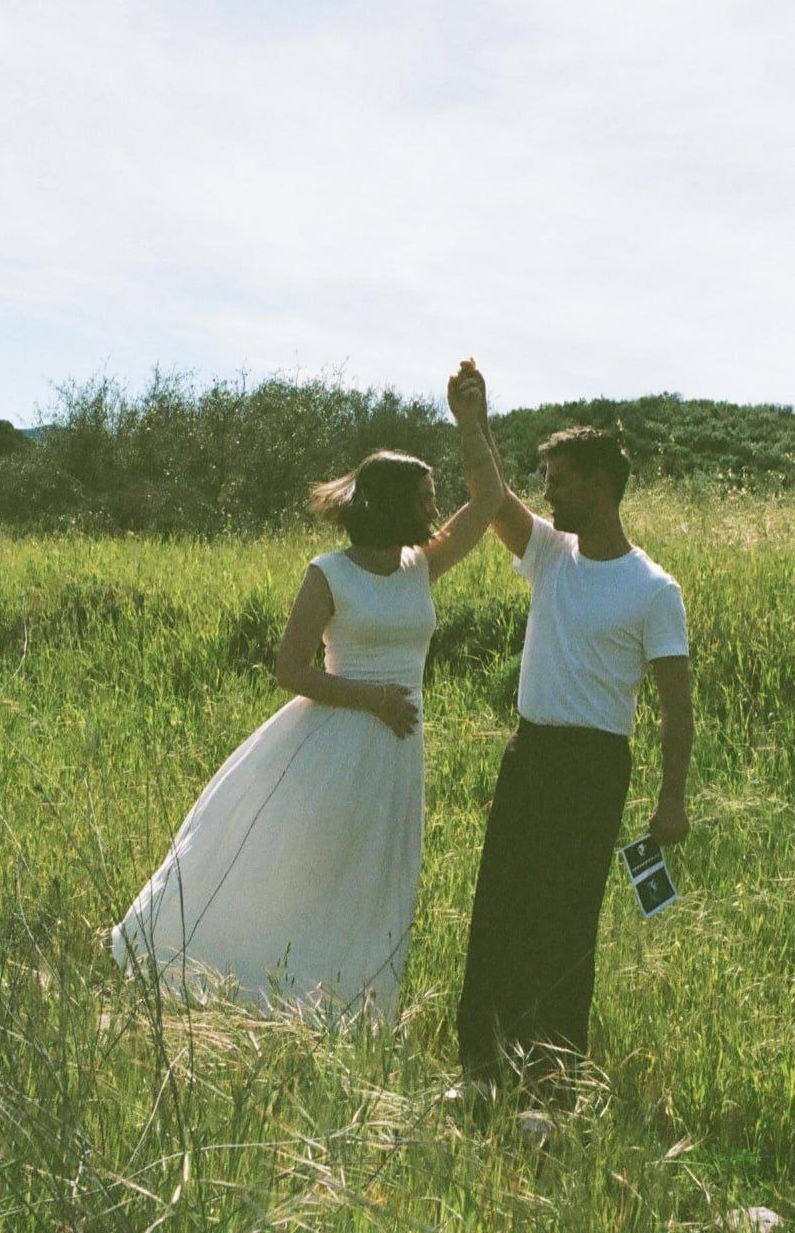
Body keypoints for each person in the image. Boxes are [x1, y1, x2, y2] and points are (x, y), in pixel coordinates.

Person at [112, 365, 503, 1018]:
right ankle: (263, 987)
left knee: (372, 878)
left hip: (395, 753)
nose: (435, 510)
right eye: (425, 498)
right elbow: (290, 669)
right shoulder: (330, 574)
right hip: (333, 743)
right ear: (391, 504)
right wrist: (373, 699)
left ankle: (349, 1006)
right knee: (303, 870)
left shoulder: (422, 566)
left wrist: (472, 422)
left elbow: (489, 499)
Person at [452, 361, 693, 1102]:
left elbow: (676, 707)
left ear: (601, 483)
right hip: (530, 751)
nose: (548, 492)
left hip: (593, 765)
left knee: (563, 922)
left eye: (560, 479)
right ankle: (483, 1073)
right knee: (501, 909)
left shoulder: (654, 590)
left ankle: (549, 1087)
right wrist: (472, 422)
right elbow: (495, 497)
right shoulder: (551, 556)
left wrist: (672, 798)